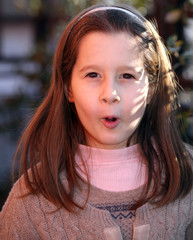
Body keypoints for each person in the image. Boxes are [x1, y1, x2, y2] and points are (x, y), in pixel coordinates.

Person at [0, 3, 193, 240]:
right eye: (93, 75)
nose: (109, 93)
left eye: (127, 75)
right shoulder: (30, 203)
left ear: (151, 88)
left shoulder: (188, 179)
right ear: (68, 87)